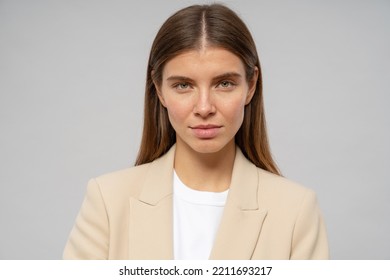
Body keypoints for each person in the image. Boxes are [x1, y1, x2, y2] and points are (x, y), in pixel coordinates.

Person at [63, 3, 329, 260]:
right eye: (183, 85)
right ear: (159, 89)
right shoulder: (108, 200)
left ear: (250, 85)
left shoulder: (296, 210)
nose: (204, 107)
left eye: (224, 83)